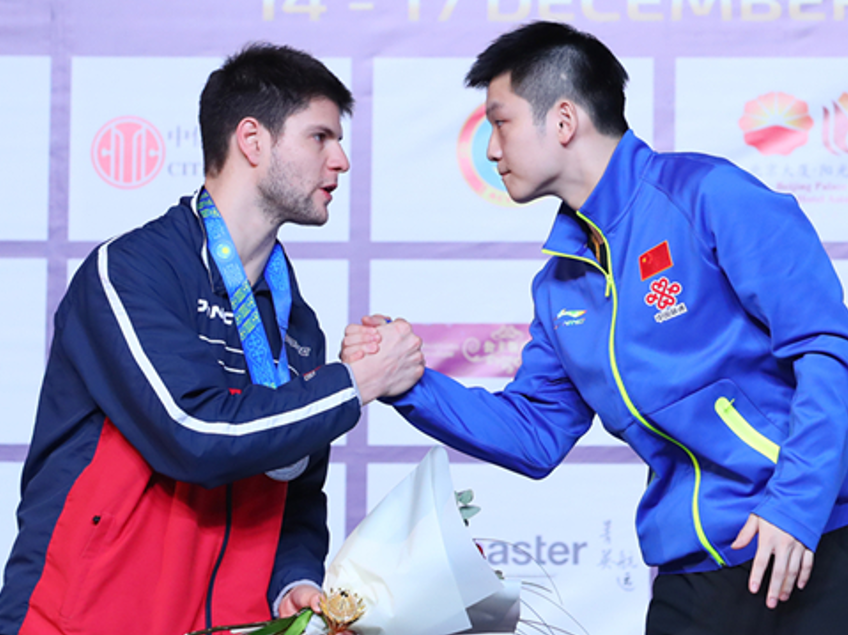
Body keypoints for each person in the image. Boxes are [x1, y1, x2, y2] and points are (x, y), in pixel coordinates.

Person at [342, 21, 848, 635]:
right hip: (693, 571)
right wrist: (407, 383)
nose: (492, 150)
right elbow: (535, 434)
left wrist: (796, 507)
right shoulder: (560, 285)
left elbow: (828, 351)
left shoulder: (710, 196)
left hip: (814, 538)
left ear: (563, 120)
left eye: (500, 123)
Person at [0, 44, 424, 635]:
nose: (341, 160)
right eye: (320, 137)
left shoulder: (296, 321)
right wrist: (355, 383)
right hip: (82, 619)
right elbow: (193, 434)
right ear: (253, 140)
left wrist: (293, 579)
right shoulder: (131, 271)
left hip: (226, 625)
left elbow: (297, 487)